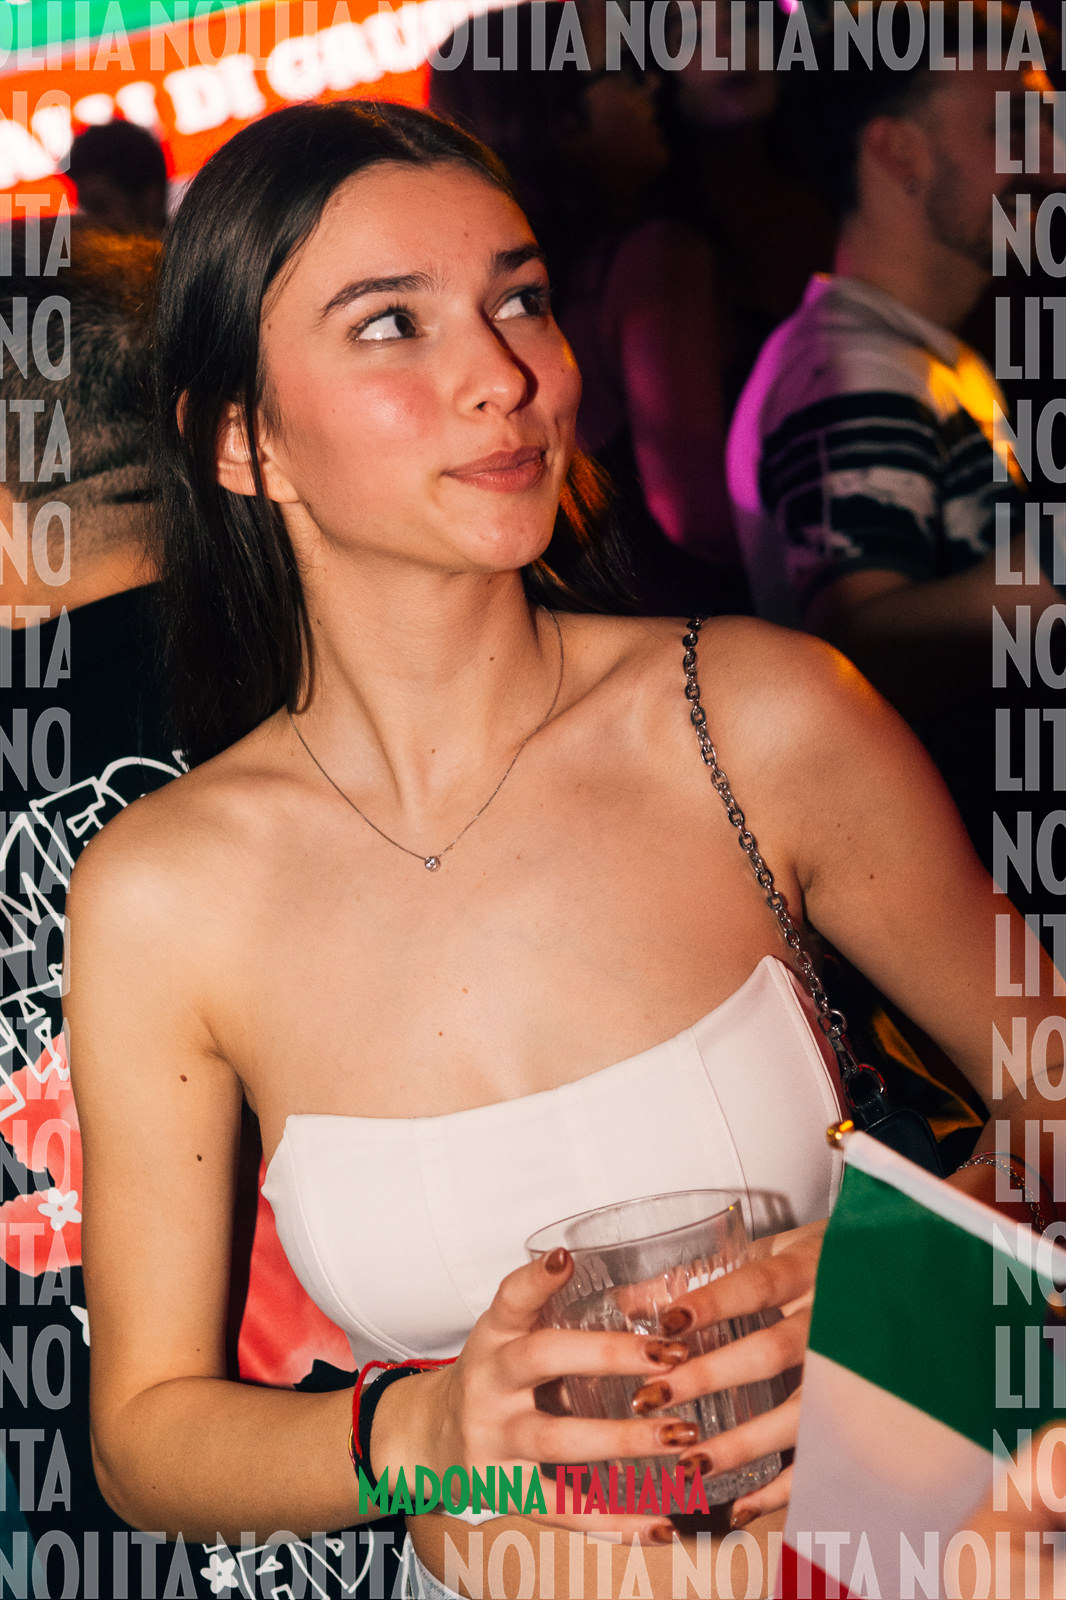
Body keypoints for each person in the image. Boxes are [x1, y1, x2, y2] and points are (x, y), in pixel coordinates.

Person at [63, 102, 1062, 1600]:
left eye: (518, 298)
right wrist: (417, 1433)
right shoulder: (163, 892)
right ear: (243, 442)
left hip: (899, 1548)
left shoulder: (754, 717)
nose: (504, 374)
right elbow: (145, 1438)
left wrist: (896, 1278)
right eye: (391, 323)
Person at [726, 2, 1063, 859]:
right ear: (899, 152)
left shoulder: (913, 353)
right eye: (1015, 126)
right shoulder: (851, 369)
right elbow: (859, 653)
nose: (1053, 160)